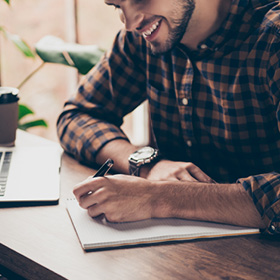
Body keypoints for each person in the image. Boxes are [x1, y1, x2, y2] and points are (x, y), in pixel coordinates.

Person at [57, 0, 280, 235]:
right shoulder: (145, 34)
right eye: (117, 6)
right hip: (179, 254)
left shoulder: (273, 38)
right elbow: (77, 115)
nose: (130, 23)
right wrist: (148, 166)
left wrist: (158, 197)